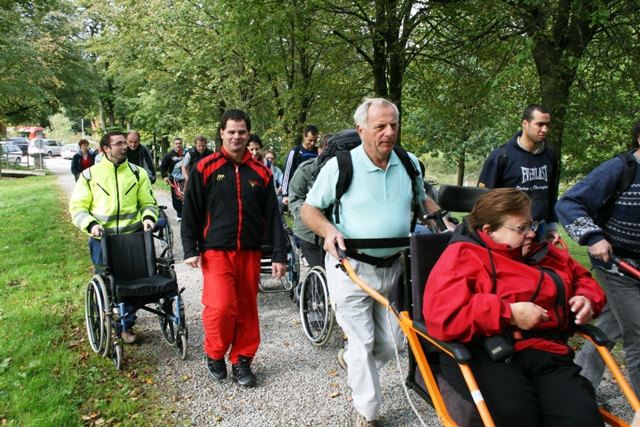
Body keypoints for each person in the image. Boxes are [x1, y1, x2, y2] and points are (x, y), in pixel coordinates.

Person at [301, 98, 438, 427]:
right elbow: (310, 210)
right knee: (362, 342)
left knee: (393, 343)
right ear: (362, 129)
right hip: (350, 269)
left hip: (394, 269)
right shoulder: (341, 166)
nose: (389, 132)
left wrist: (442, 223)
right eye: (380, 126)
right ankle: (368, 411)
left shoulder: (409, 163)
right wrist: (329, 231)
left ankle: (352, 362)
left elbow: (423, 201)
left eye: (393, 125)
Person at [423, 188, 605, 427]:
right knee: (518, 417)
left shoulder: (541, 250)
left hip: (546, 351)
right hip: (488, 353)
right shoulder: (462, 257)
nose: (531, 234)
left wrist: (586, 298)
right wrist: (508, 313)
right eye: (520, 229)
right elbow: (444, 317)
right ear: (489, 231)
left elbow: (583, 278)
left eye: (531, 225)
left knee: (583, 419)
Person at [181, 109, 288, 387]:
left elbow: (274, 217)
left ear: (248, 134)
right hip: (215, 250)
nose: (237, 136)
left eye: (242, 132)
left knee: (245, 308)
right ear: (222, 133)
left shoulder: (261, 172)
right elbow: (190, 210)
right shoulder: (205, 168)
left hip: (250, 252)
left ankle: (242, 360)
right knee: (221, 306)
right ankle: (215, 353)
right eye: (231, 131)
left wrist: (279, 254)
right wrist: (190, 247)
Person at [556, 120, 640, 403]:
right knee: (638, 334)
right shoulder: (619, 168)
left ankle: (576, 387)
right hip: (617, 267)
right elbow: (568, 203)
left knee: (610, 327)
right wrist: (593, 237)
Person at [69, 131, 158, 345]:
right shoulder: (89, 176)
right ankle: (107, 319)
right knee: (108, 286)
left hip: (132, 238)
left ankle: (125, 325)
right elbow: (78, 208)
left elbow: (148, 202)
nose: (124, 147)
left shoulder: (137, 174)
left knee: (133, 284)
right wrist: (91, 225)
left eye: (125, 143)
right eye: (119, 144)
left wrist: (148, 218)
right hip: (103, 240)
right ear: (106, 149)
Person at [478, 104, 560, 244]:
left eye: (547, 125)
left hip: (538, 231)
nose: (545, 130)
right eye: (539, 124)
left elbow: (551, 195)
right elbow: (483, 197)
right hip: (507, 232)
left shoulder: (550, 157)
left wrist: (552, 227)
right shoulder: (501, 156)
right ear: (525, 124)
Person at [288, 134, 330, 268]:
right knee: (320, 269)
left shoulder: (344, 169)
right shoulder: (305, 169)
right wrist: (313, 217)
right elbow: (295, 200)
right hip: (309, 233)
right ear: (320, 150)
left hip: (336, 232)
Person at [281, 125, 319, 208]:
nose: (312, 143)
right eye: (310, 140)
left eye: (315, 140)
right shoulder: (295, 152)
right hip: (298, 191)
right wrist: (285, 194)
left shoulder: (318, 152)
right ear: (304, 136)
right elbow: (288, 173)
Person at [160, 137, 185, 221]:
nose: (178, 145)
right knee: (176, 198)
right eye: (176, 143)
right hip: (174, 180)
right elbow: (163, 166)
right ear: (174, 145)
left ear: (182, 144)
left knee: (186, 197)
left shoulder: (186, 154)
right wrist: (164, 176)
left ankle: (186, 214)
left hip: (185, 179)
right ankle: (180, 214)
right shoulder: (169, 155)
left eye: (179, 143)